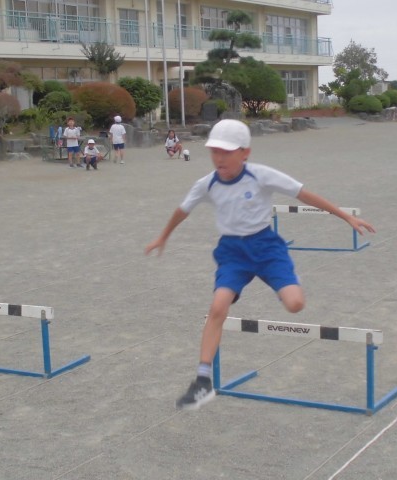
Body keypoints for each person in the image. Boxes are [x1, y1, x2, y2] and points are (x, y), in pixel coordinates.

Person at [144, 119, 376, 411]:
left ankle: (287, 277)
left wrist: (346, 216)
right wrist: (163, 237)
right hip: (232, 252)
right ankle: (202, 381)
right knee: (217, 307)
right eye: (214, 151)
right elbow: (182, 211)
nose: (219, 158)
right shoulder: (207, 184)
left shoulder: (261, 175)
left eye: (226, 152)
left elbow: (304, 194)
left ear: (245, 153)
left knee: (295, 305)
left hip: (266, 248)